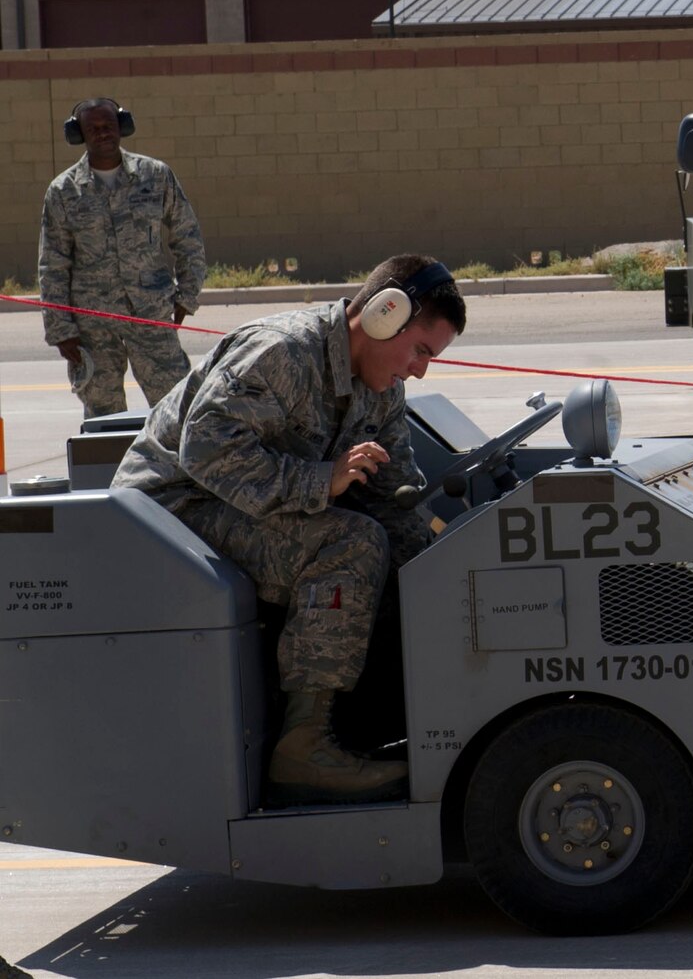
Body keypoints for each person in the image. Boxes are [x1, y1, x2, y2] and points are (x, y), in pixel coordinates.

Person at [112, 255, 466, 805]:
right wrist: (323, 479)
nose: (421, 369)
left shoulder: (380, 386)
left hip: (244, 510)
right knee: (350, 541)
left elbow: (396, 499)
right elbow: (205, 451)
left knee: (394, 543)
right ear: (382, 316)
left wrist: (446, 572)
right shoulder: (283, 351)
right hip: (169, 515)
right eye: (420, 349)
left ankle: (376, 721)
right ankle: (303, 748)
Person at [38, 97, 207, 418]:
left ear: (122, 127)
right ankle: (109, 469)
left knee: (176, 409)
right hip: (93, 325)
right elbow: (53, 264)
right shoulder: (63, 191)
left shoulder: (155, 176)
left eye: (108, 126)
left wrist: (187, 295)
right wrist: (61, 329)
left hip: (151, 314)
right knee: (103, 412)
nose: (102, 134)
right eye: (93, 129)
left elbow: (188, 236)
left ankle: (177, 470)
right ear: (80, 135)